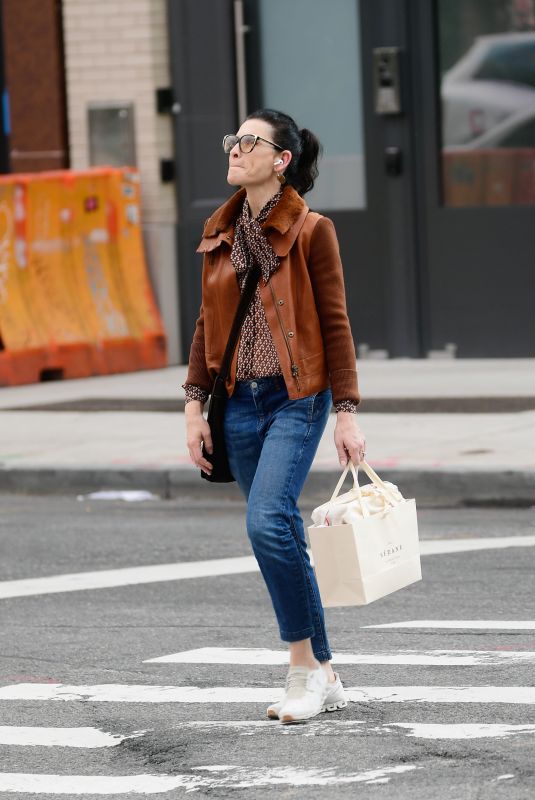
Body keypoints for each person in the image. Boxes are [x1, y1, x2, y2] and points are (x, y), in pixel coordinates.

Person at [184, 108, 366, 724]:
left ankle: (300, 671)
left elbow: (336, 325)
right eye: (232, 137)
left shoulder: (312, 230)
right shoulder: (219, 231)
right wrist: (193, 405)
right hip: (237, 402)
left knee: (266, 524)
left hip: (296, 396)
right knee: (281, 532)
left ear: (280, 160)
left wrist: (345, 413)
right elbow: (207, 324)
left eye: (249, 141)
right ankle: (327, 669)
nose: (235, 148)